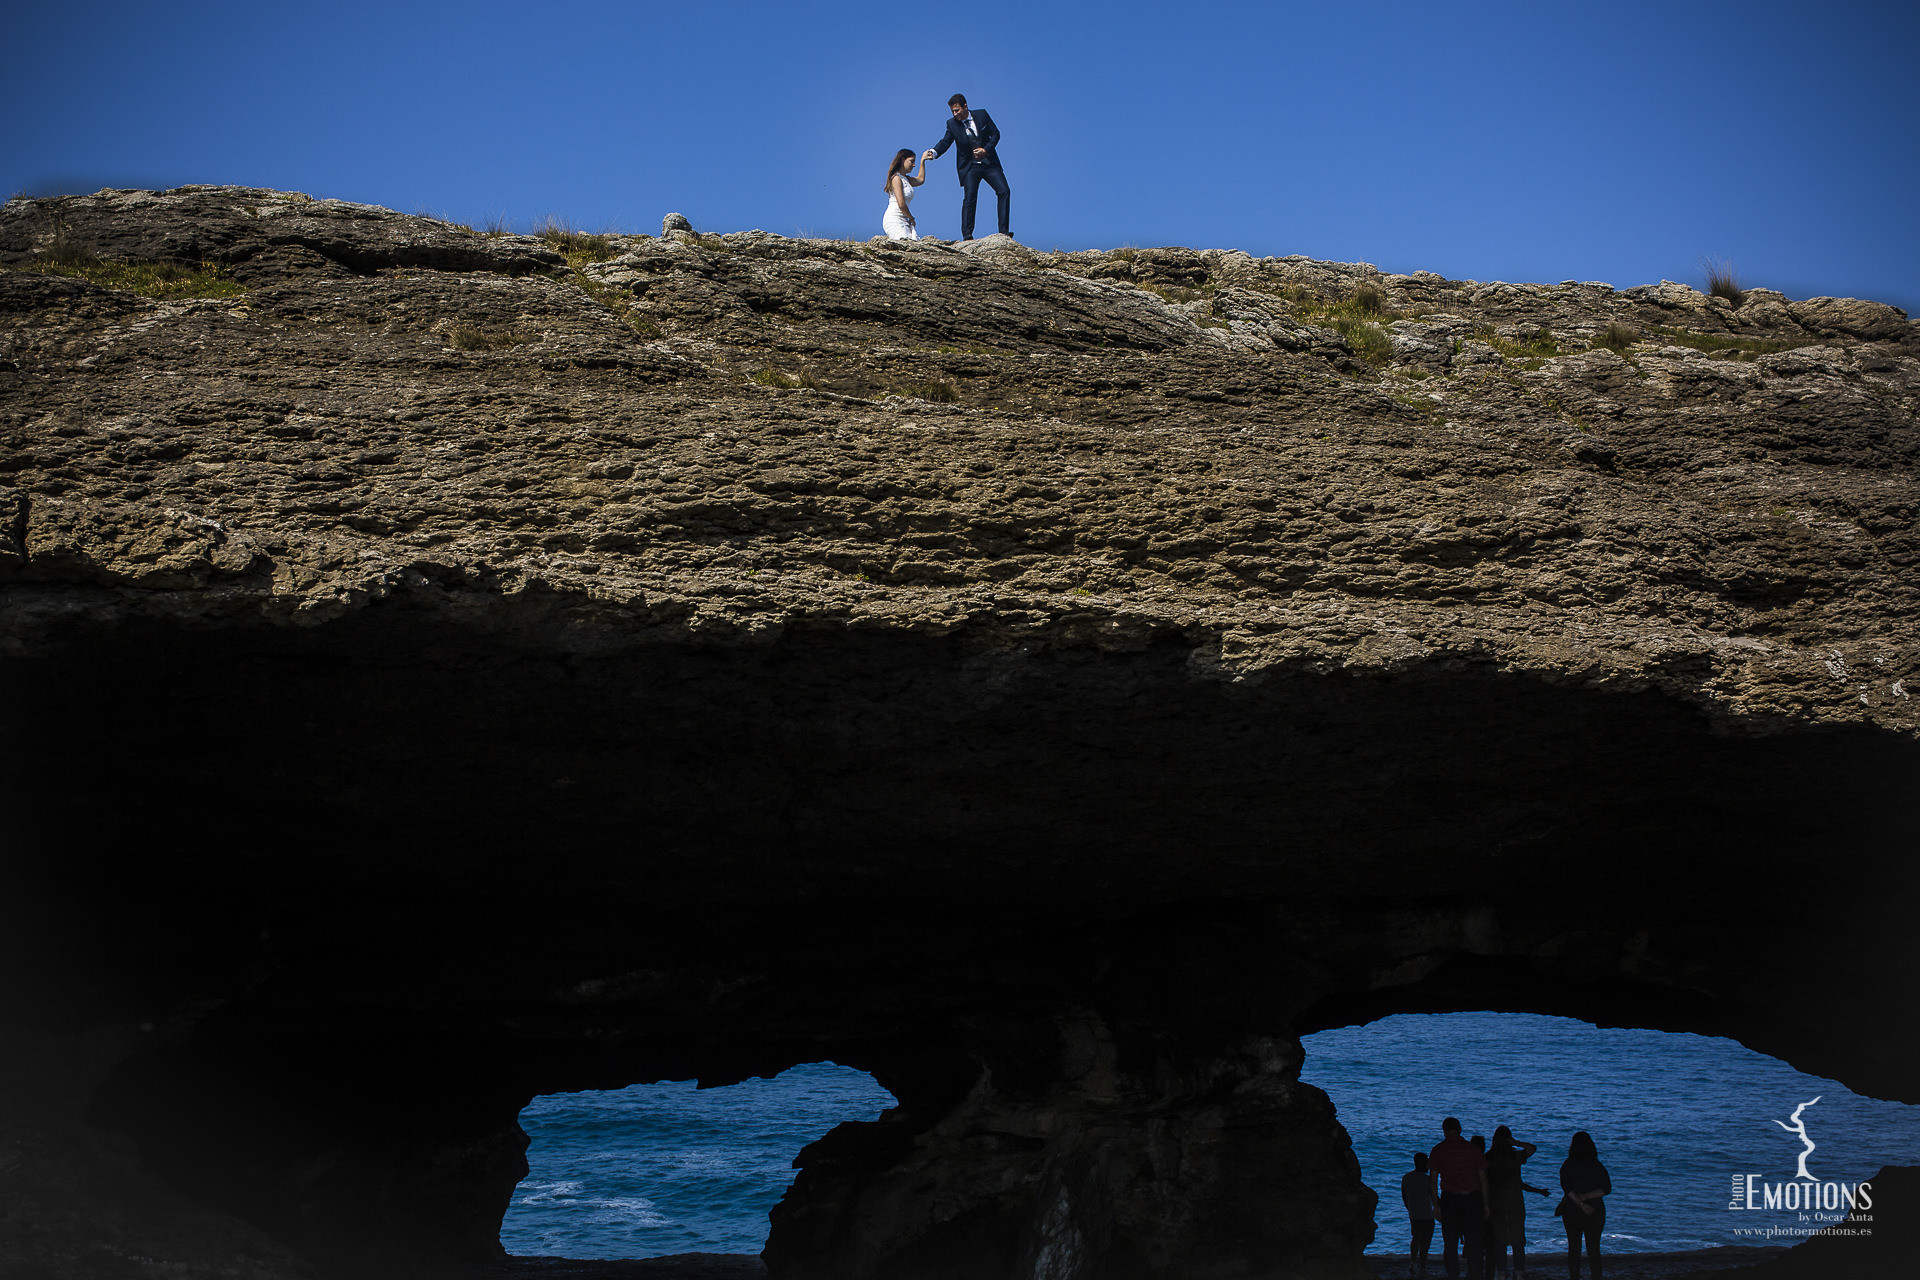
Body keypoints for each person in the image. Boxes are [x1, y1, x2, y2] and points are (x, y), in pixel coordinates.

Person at [928, 93, 1010, 241]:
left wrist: (986, 149)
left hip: (990, 163)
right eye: (952, 111)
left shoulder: (982, 114)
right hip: (970, 167)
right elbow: (945, 141)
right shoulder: (952, 124)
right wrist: (934, 152)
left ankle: (1004, 232)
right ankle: (967, 235)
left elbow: (995, 134)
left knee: (1004, 190)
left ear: (965, 106)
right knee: (970, 198)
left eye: (957, 110)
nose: (955, 114)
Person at [1428, 1117, 1490, 1280]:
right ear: (1460, 1130)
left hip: (1449, 1200)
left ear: (1444, 1131)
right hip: (1472, 1199)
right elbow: (1483, 1179)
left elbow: (1433, 1181)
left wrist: (1436, 1205)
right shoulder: (1473, 1150)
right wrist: (1486, 1204)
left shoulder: (1438, 1150)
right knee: (1475, 1243)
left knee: (1450, 1244)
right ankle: (1474, 1276)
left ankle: (1453, 1276)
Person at [1486, 1125, 1548, 1279]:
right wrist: (1517, 1143)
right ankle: (1519, 1272)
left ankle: (1501, 1272)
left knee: (1499, 1239)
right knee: (1518, 1239)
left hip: (1497, 1204)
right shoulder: (1515, 1157)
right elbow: (1533, 1148)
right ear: (1508, 1139)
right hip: (1515, 1203)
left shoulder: (1488, 1158)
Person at [1556, 1131, 1611, 1280]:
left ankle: (1574, 1277)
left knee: (1574, 1248)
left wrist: (1580, 1202)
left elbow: (1567, 1189)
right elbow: (1606, 1189)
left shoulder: (1567, 1165)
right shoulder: (1597, 1165)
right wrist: (1587, 1198)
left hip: (1572, 1210)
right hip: (1595, 1209)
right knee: (1594, 1249)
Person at [1401, 1152, 1440, 1277]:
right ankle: (1422, 1266)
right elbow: (1434, 1197)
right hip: (1427, 1214)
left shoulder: (1406, 1178)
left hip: (1414, 1213)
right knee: (1425, 1242)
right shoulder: (1427, 1179)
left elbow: (1404, 1196)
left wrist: (1409, 1208)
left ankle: (1413, 1263)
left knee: (1415, 1238)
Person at [882, 148, 927, 240]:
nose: (914, 165)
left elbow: (921, 180)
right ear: (902, 159)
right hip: (894, 218)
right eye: (911, 161)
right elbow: (901, 204)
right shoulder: (896, 178)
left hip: (904, 219)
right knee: (904, 242)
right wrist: (911, 218)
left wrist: (923, 160)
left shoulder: (906, 179)